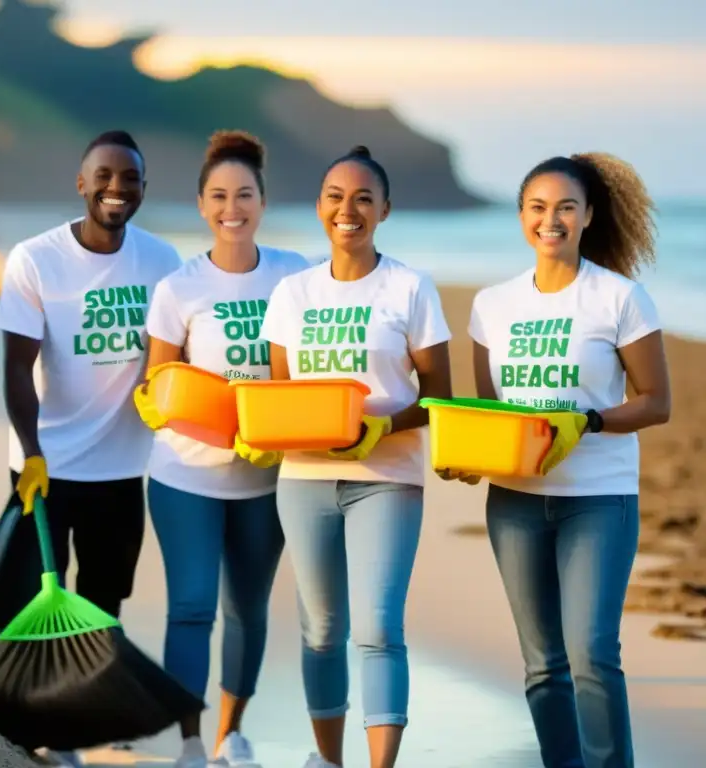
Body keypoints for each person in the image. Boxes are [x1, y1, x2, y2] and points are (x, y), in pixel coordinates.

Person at [465, 153, 670, 768]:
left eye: (565, 208)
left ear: (587, 217)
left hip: (599, 500)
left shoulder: (620, 298)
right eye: (537, 207)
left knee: (591, 653)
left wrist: (590, 421)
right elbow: (489, 413)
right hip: (514, 502)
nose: (550, 219)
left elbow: (656, 401)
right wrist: (466, 458)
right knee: (542, 663)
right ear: (522, 215)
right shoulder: (491, 305)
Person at [259, 146, 453, 768]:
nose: (349, 209)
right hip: (305, 481)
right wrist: (261, 431)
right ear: (320, 207)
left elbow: (440, 399)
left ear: (385, 210)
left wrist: (382, 427)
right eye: (337, 197)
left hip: (387, 480)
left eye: (364, 198)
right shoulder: (292, 293)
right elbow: (282, 398)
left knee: (377, 631)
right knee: (320, 632)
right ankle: (329, 760)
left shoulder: (409, 288)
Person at [0, 130, 181, 766]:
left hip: (123, 466)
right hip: (44, 466)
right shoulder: (35, 259)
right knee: (42, 597)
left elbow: (179, 355)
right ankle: (38, 721)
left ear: (142, 190)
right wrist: (31, 451)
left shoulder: (162, 262)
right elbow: (17, 366)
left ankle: (83, 717)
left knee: (105, 599)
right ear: (81, 184)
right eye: (104, 176)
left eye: (129, 179)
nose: (116, 189)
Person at [133, 131, 309, 768]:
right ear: (202, 206)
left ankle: (231, 735)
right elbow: (155, 385)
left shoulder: (294, 275)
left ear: (262, 201)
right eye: (218, 196)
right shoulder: (179, 288)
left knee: (248, 610)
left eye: (244, 194)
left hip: (265, 480)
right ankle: (187, 742)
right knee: (190, 607)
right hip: (186, 475)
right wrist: (171, 410)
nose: (231, 206)